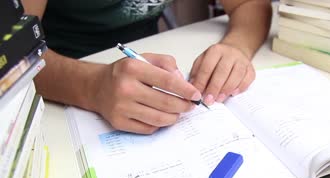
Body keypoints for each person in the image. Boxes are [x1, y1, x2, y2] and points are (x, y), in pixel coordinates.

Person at [21, 0, 272, 134]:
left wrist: (237, 46)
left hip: (147, 60)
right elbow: (14, 53)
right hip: (54, 85)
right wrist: (91, 87)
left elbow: (249, 4)